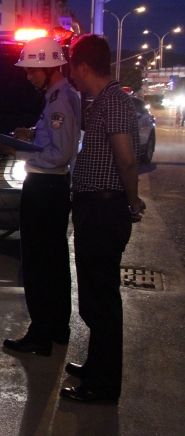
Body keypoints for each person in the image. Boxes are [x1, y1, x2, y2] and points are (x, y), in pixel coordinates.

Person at [61, 33, 145, 403]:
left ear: (82, 67)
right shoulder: (103, 102)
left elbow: (126, 160)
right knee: (94, 297)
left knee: (102, 301)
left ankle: (103, 385)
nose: (71, 75)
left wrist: (133, 203)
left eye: (72, 67)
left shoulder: (114, 101)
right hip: (93, 208)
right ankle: (97, 366)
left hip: (104, 209)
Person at [0, 37, 81, 356]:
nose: (29, 76)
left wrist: (18, 152)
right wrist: (32, 134)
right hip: (53, 189)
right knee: (54, 261)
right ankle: (57, 328)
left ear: (49, 67)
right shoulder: (62, 95)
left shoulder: (59, 100)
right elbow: (56, 136)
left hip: (44, 187)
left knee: (38, 263)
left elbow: (60, 153)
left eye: (33, 70)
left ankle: (40, 335)